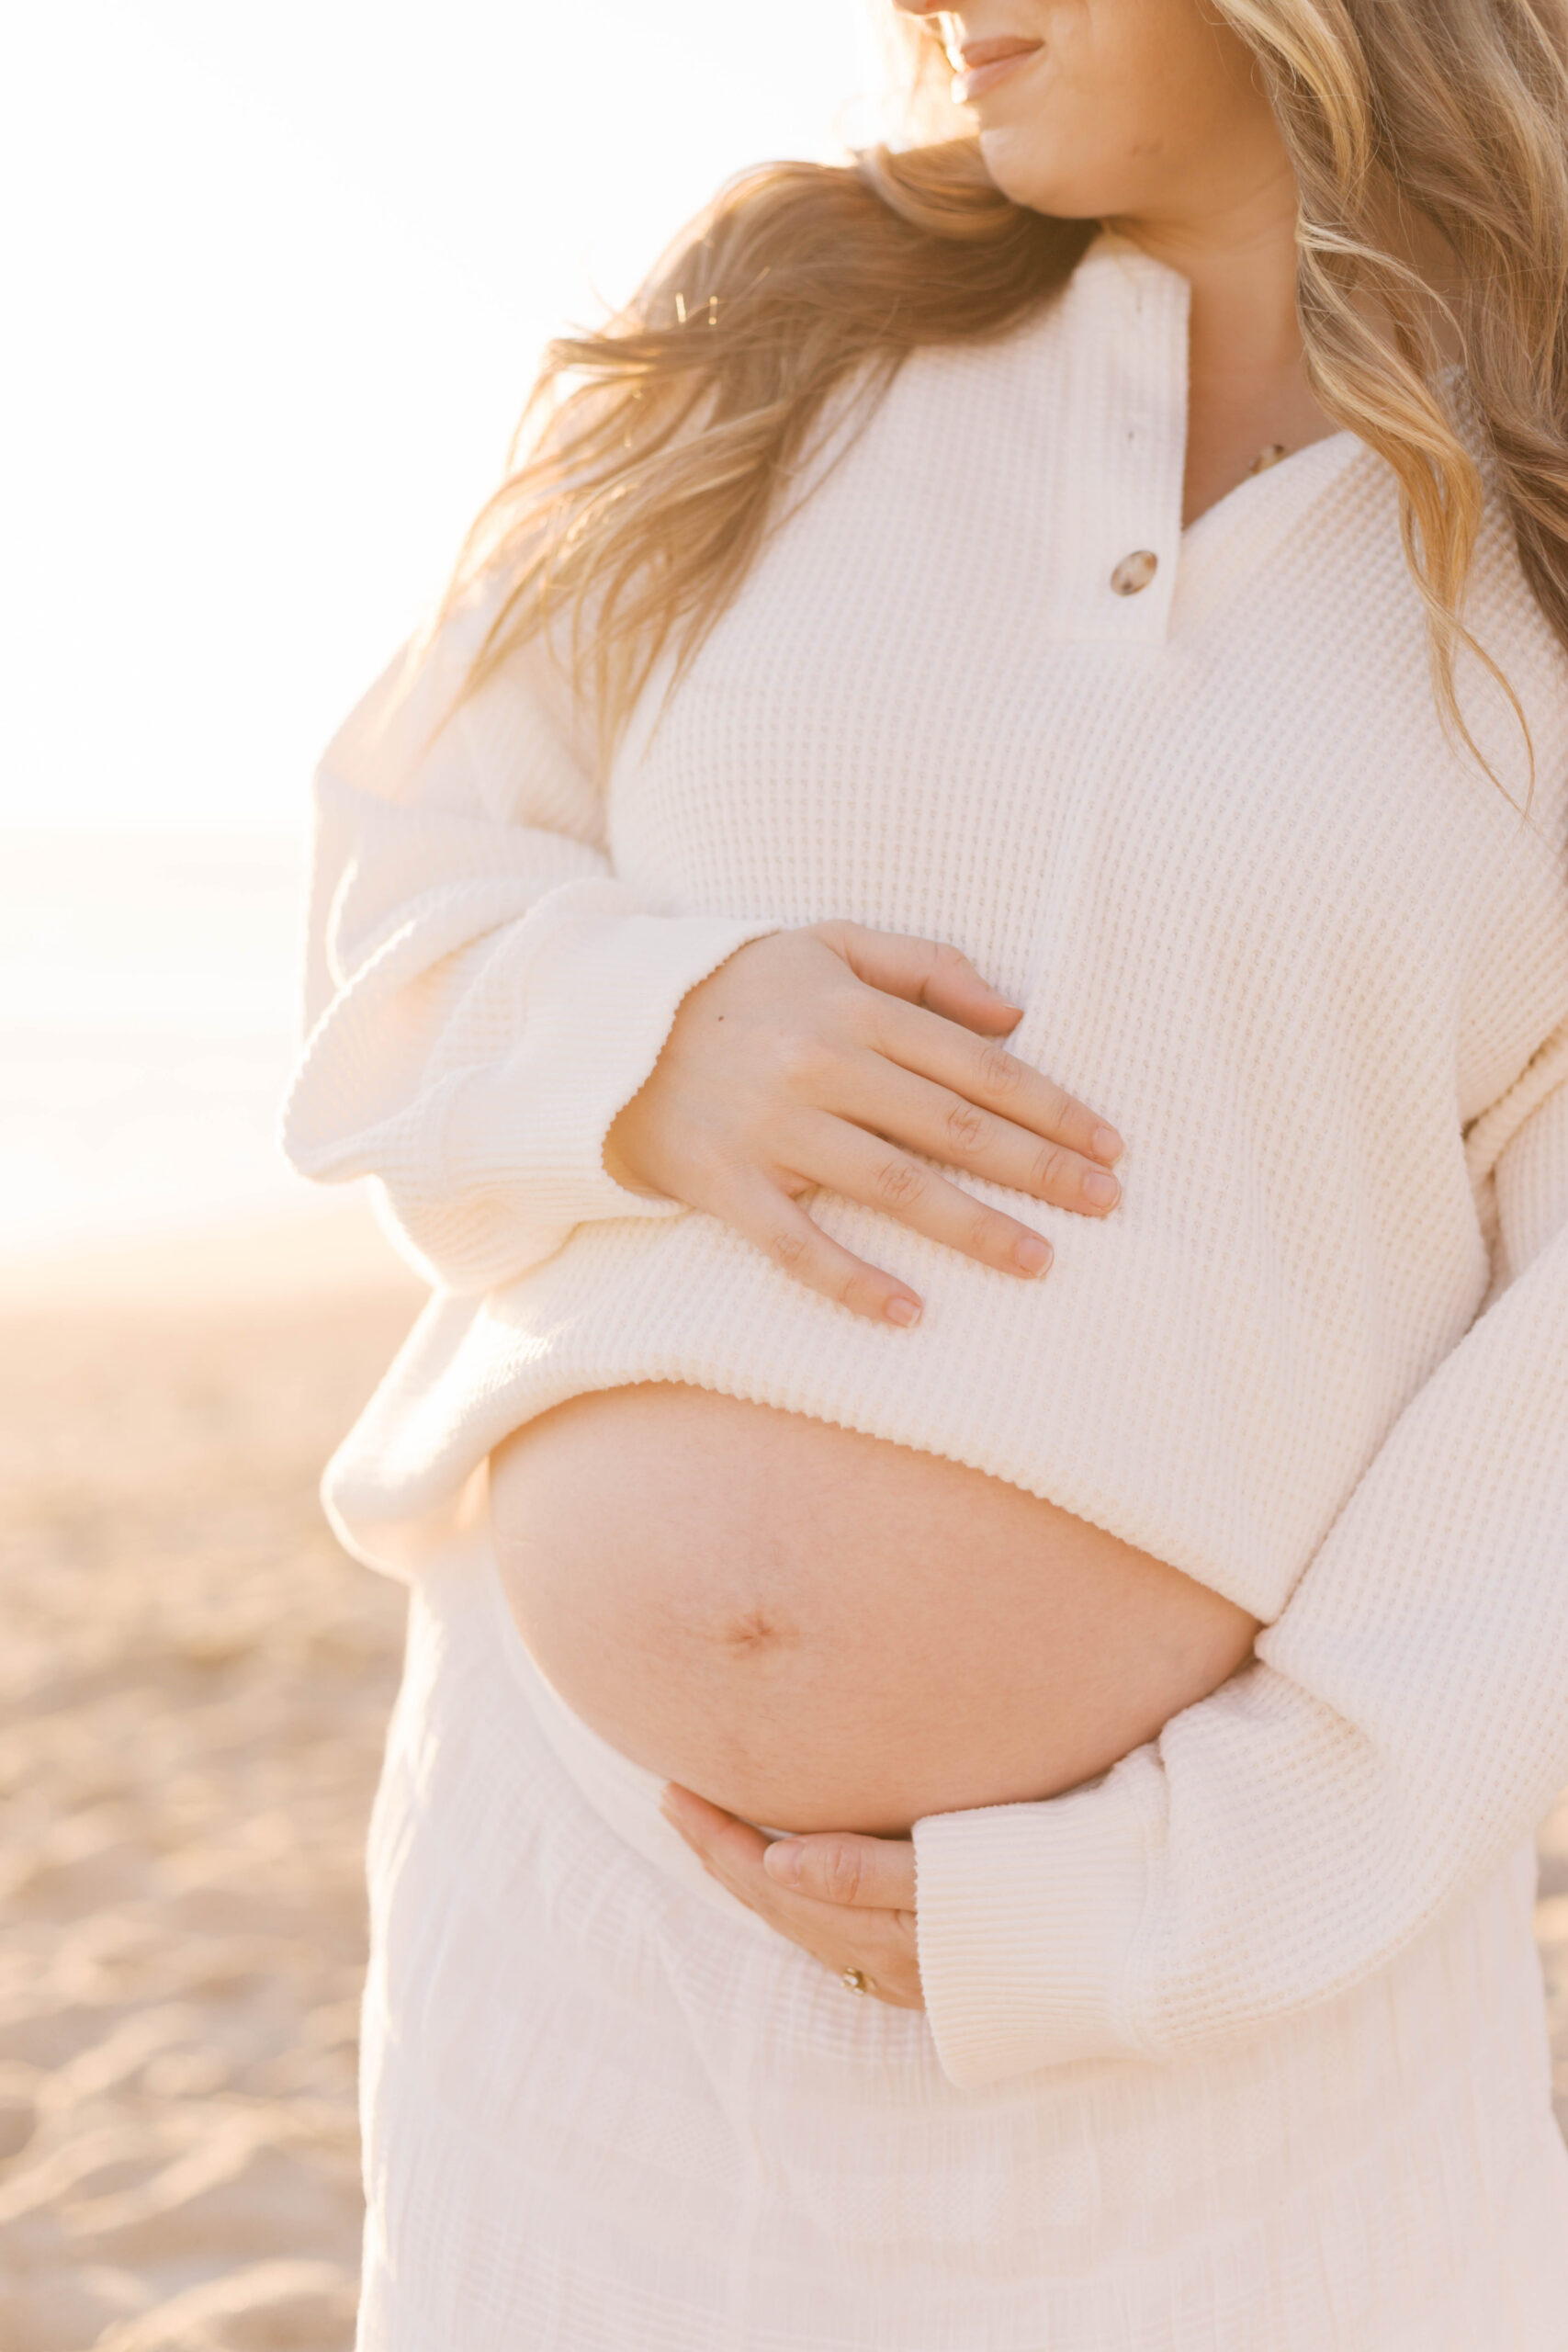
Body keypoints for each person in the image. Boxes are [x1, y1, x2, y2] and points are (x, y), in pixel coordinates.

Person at [283, 0, 1568, 2342]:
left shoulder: (1536, 542)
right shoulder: (778, 336)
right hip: (586, 1955)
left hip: (1237, 2066)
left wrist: (1176, 1894)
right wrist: (652, 1038)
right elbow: (402, 887)